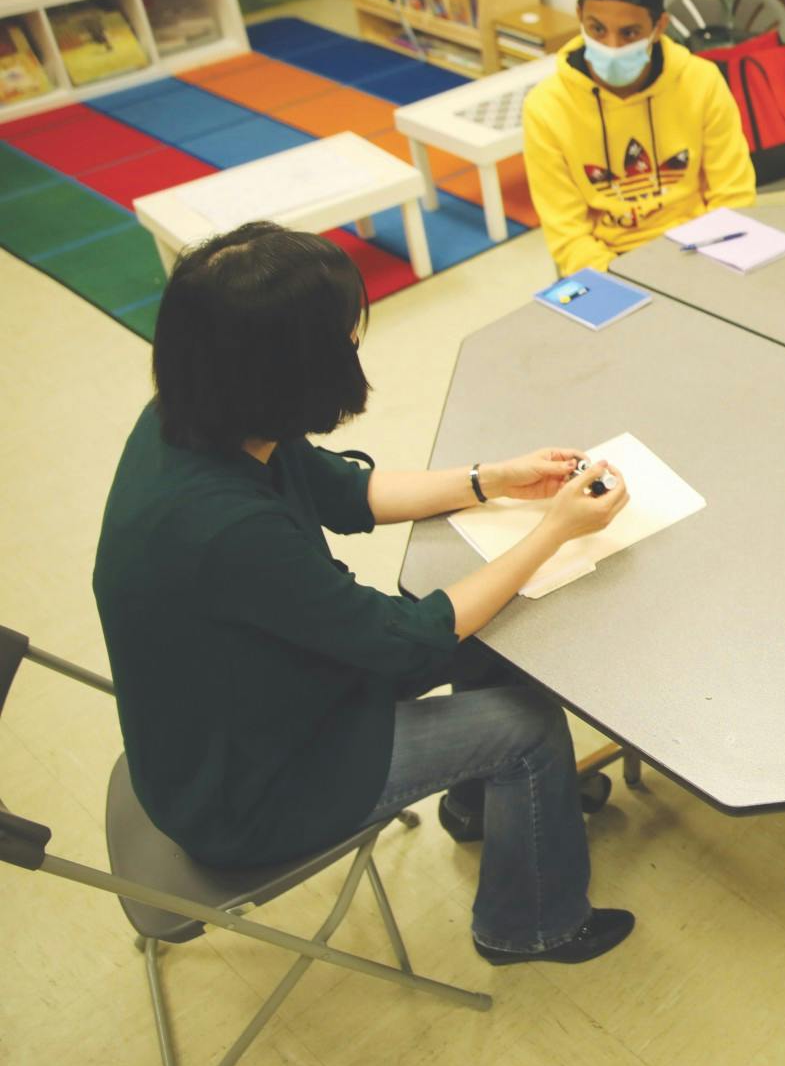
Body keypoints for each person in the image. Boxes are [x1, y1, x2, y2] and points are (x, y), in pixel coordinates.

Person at [93, 223, 636, 966]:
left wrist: (493, 479)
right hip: (252, 788)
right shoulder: (225, 529)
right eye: (346, 340)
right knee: (529, 723)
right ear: (294, 373)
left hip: (241, 713)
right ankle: (531, 923)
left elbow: (348, 492)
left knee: (494, 621)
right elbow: (405, 640)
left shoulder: (199, 419)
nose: (356, 347)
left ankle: (482, 804)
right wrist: (553, 532)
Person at [523, 0, 756, 276]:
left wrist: (705, 268)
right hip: (610, 265)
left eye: (630, 33)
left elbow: (734, 196)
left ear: (659, 26)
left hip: (701, 253)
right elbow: (569, 237)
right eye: (597, 29)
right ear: (579, 16)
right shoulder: (546, 108)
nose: (612, 47)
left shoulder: (701, 82)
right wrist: (624, 280)